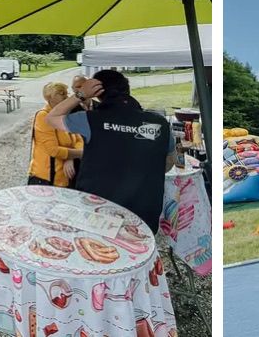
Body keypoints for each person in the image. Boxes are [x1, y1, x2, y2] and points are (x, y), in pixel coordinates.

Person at [45, 69, 174, 235]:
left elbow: (52, 118)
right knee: (136, 256)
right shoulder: (160, 123)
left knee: (99, 255)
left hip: (98, 213)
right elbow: (169, 164)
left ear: (98, 93)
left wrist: (80, 94)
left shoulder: (90, 119)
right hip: (144, 214)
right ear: (127, 90)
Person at [29, 82, 84, 187]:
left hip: (64, 178)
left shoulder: (66, 115)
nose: (66, 97)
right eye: (62, 93)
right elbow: (53, 150)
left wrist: (70, 157)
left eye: (67, 93)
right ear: (49, 98)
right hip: (45, 179)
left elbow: (78, 140)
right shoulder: (43, 116)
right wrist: (80, 154)